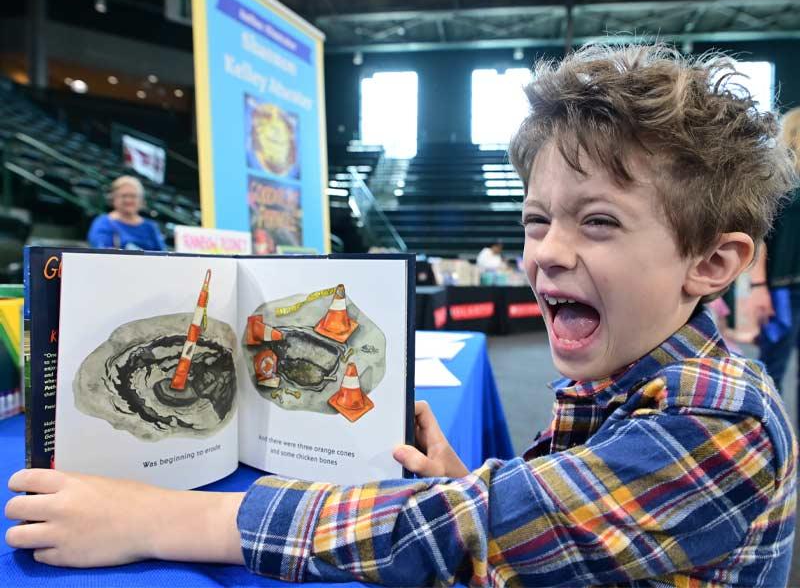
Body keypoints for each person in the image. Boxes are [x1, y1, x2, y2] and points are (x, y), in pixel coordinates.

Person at [5, 44, 798, 586]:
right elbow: (561, 508)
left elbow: (461, 533)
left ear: (714, 263)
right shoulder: (631, 369)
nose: (549, 253)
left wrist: (159, 518)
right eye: (535, 219)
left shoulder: (722, 417)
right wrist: (463, 478)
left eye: (598, 222)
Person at [746, 107, 800, 393]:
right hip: (782, 290)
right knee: (772, 370)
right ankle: (769, 437)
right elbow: (760, 237)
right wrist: (758, 287)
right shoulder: (779, 182)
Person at [87, 175, 166, 251]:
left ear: (141, 200)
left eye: (133, 196)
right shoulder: (103, 223)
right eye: (124, 196)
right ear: (114, 198)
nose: (128, 200)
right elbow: (101, 251)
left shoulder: (150, 227)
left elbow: (162, 255)